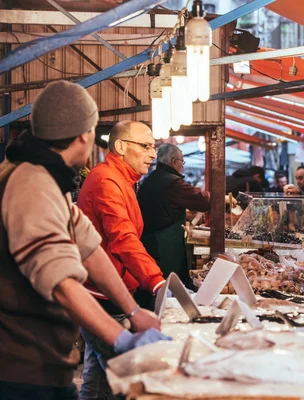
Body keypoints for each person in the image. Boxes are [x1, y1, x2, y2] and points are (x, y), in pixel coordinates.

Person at [0, 81, 167, 400]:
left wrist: (133, 311)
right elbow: (60, 279)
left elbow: (89, 249)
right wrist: (121, 339)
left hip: (43, 363)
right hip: (23, 370)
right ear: (84, 134)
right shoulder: (30, 183)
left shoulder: (46, 178)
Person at [77, 121, 169, 398]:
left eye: (153, 147)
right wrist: (156, 282)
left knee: (96, 373)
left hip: (106, 289)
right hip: (102, 293)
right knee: (123, 380)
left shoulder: (121, 178)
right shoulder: (107, 179)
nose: (153, 154)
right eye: (146, 146)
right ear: (121, 146)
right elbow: (123, 238)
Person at [138, 144, 211, 287]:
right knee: (169, 286)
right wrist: (221, 198)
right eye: (182, 162)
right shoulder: (172, 182)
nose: (182, 166)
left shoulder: (155, 177)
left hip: (151, 240)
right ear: (173, 161)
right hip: (163, 246)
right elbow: (203, 201)